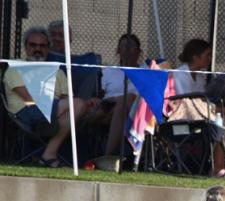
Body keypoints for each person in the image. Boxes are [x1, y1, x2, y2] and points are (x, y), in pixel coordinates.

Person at [2, 27, 95, 167]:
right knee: (78, 104)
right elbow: (28, 98)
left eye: (42, 46)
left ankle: (48, 152)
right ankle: (49, 151)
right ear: (26, 46)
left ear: (48, 49)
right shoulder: (16, 67)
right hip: (27, 111)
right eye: (33, 45)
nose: (38, 49)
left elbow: (67, 98)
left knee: (79, 106)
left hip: (54, 113)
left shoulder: (58, 71)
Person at [173, 39, 225, 180]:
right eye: (207, 55)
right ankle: (217, 169)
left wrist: (224, 110)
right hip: (181, 121)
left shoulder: (199, 76)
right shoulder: (179, 74)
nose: (210, 59)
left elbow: (202, 102)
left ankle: (222, 166)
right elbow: (186, 104)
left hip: (198, 117)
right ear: (195, 57)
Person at [99, 34, 142, 156]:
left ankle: (107, 156)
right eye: (123, 46)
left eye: (131, 46)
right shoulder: (109, 72)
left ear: (138, 51)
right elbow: (99, 95)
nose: (127, 49)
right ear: (118, 50)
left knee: (127, 101)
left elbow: (138, 98)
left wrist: (117, 100)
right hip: (107, 109)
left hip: (134, 113)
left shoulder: (145, 72)